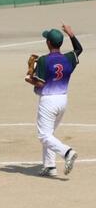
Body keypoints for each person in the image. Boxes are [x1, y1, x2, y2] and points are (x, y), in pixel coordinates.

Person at [25, 25, 82, 177]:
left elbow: (40, 83)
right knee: (49, 133)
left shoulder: (44, 60)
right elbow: (79, 49)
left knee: (44, 136)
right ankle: (50, 166)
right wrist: (71, 34)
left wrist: (30, 79)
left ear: (48, 43)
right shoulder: (69, 58)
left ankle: (67, 152)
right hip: (63, 99)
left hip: (48, 101)